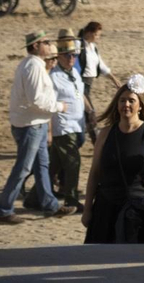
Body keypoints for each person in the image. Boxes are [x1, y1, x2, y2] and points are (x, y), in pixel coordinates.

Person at [82, 74, 144, 243]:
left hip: (136, 209)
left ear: (140, 106)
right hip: (106, 208)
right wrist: (87, 209)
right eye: (122, 100)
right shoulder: (105, 134)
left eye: (131, 101)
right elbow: (94, 173)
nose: (126, 104)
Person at [0, 29, 74, 224]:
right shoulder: (33, 66)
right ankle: (4, 208)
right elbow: (36, 100)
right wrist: (59, 107)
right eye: (45, 42)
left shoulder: (33, 65)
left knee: (41, 166)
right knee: (24, 167)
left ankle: (51, 204)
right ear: (36, 45)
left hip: (34, 123)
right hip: (29, 125)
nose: (49, 45)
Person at [49, 30, 87, 212]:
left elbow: (80, 94)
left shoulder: (74, 73)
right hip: (63, 126)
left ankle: (35, 196)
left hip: (77, 124)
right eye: (68, 55)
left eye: (74, 55)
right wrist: (49, 130)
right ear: (59, 56)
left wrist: (90, 111)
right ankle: (71, 200)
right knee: (73, 162)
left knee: (54, 164)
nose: (72, 58)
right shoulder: (53, 76)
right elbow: (49, 104)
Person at [78, 21, 115, 117]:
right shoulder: (78, 45)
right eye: (96, 35)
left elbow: (101, 65)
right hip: (81, 81)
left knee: (84, 108)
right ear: (89, 33)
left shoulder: (93, 47)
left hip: (89, 83)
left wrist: (114, 79)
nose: (98, 37)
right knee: (89, 110)